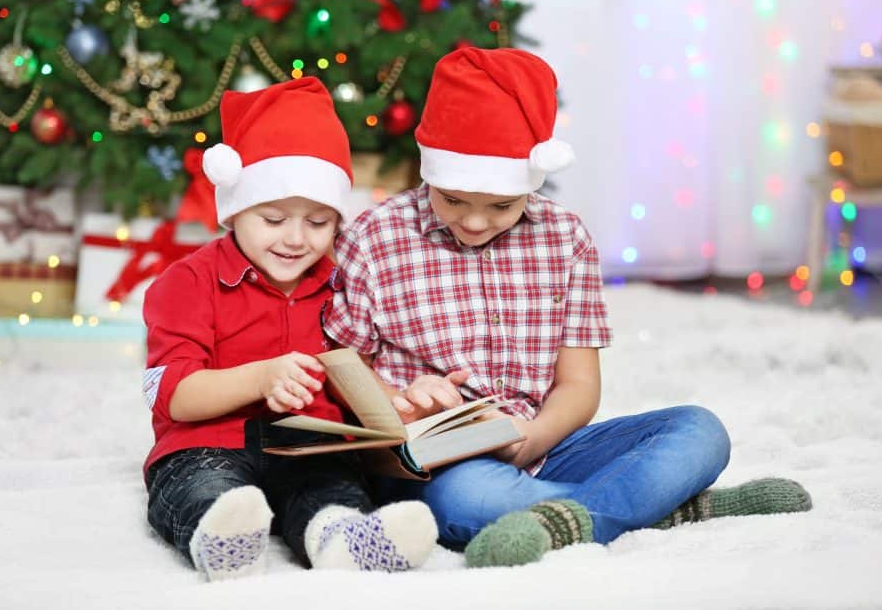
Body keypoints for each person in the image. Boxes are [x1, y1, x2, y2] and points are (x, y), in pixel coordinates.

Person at [323, 48, 812, 568]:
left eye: (501, 207)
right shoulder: (374, 237)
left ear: (529, 185)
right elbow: (346, 368)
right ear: (430, 175)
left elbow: (579, 386)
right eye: (454, 200)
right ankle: (660, 508)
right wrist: (403, 399)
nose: (473, 222)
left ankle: (572, 516)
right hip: (445, 465)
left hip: (545, 441)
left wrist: (535, 437)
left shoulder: (566, 238)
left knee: (700, 430)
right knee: (467, 501)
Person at [142, 78, 436, 581]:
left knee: (330, 488)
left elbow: (355, 373)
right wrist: (259, 379)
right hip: (210, 444)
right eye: (274, 219)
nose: (296, 240)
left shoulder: (343, 282)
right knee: (202, 488)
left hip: (308, 447)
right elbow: (177, 397)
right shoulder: (187, 282)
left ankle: (340, 538)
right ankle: (223, 539)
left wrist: (402, 398)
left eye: (319, 223)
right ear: (234, 210)